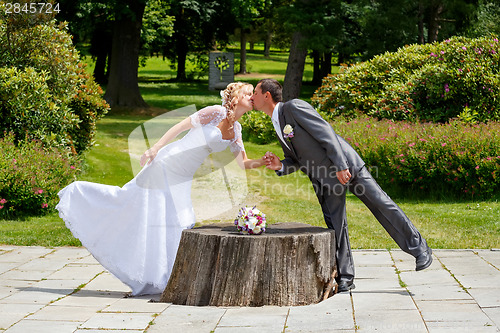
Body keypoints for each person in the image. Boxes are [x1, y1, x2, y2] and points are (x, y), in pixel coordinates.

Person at [56, 82, 266, 296]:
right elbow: (181, 126)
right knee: (132, 204)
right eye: (248, 93)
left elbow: (244, 163)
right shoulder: (215, 112)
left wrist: (267, 161)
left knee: (182, 222)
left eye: (253, 94)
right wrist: (155, 148)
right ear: (236, 96)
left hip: (182, 177)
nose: (251, 96)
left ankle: (162, 279)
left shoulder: (236, 129)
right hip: (166, 166)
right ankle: (78, 194)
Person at [252, 78, 433, 293]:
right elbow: (298, 158)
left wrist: (340, 165)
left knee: (382, 205)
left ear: (267, 96)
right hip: (324, 178)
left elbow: (325, 131)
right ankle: (346, 277)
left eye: (255, 92)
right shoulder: (277, 123)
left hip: (346, 166)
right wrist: (281, 164)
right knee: (337, 225)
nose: (252, 97)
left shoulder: (293, 108)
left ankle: (420, 249)